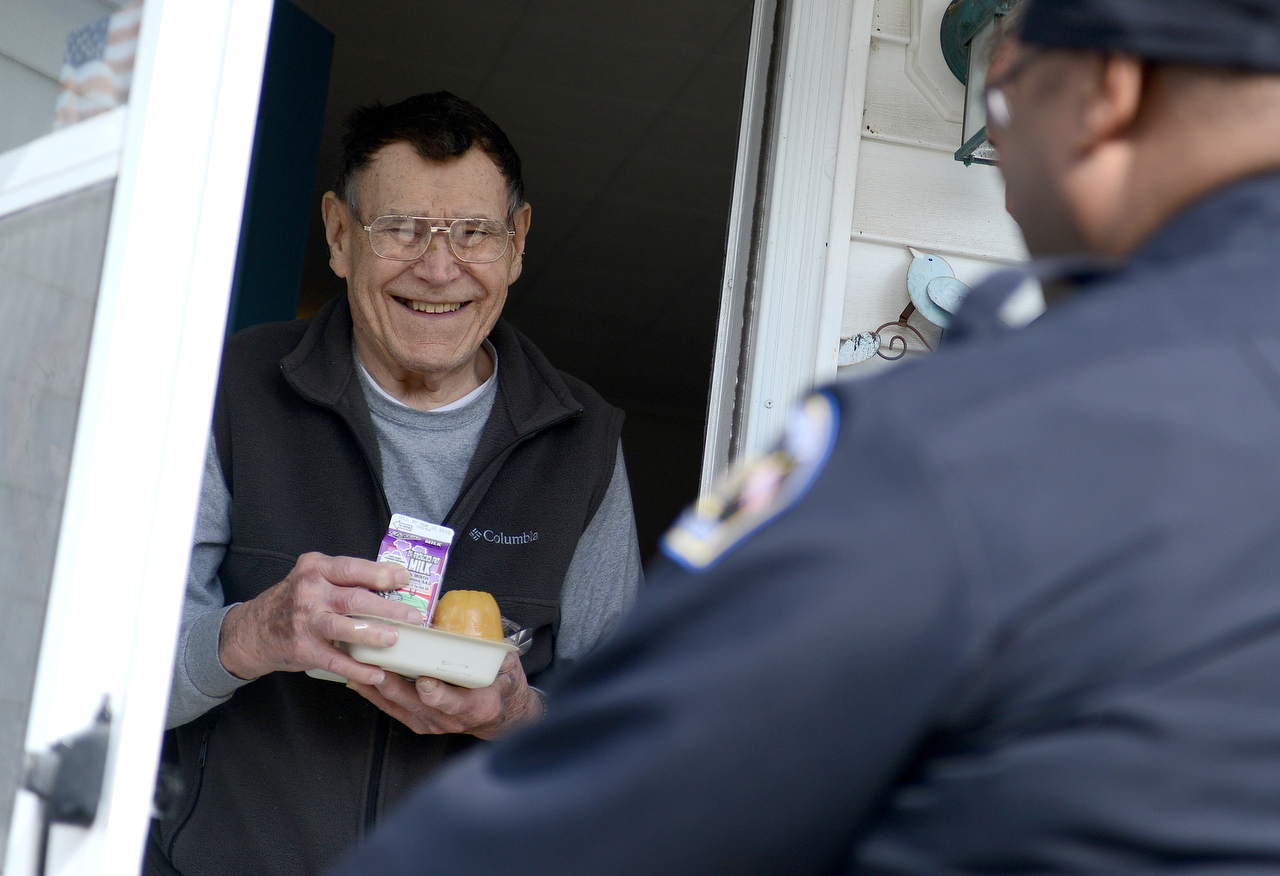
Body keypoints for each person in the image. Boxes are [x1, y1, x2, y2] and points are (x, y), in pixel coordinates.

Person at [327, 0, 1280, 873]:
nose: (998, 133)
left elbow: (612, 800)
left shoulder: (959, 446)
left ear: (1107, 92)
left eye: (1006, 87)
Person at [146, 92, 642, 876]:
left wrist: (511, 711)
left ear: (516, 245)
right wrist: (255, 633)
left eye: (474, 233)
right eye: (402, 229)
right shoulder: (234, 389)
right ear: (341, 237)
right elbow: (114, 680)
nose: (440, 269)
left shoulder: (580, 444)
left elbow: (621, 746)